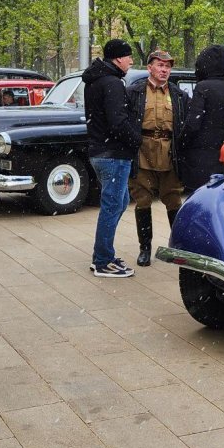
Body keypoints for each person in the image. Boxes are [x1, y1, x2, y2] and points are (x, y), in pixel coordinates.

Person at [83, 39, 141, 278]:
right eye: (128, 57)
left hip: (100, 152)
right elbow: (118, 123)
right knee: (112, 205)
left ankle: (103, 253)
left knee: (121, 200)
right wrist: (137, 139)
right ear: (118, 58)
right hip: (113, 155)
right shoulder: (113, 83)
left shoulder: (94, 81)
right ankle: (103, 260)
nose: (131, 61)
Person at [127, 50, 189, 267]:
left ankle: (180, 248)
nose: (164, 70)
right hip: (142, 151)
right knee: (142, 200)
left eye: (168, 67)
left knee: (173, 200)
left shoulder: (180, 95)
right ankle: (145, 248)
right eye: (160, 66)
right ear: (149, 68)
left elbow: (185, 126)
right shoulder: (134, 92)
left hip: (170, 153)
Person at [178, 44, 224, 192]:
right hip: (218, 153)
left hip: (199, 154)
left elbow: (193, 123)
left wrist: (180, 142)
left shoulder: (203, 87)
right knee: (213, 193)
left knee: (197, 195)